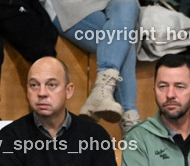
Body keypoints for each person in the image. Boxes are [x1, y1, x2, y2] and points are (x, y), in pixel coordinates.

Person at [43, 0, 141, 134]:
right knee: (122, 37)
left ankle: (103, 91)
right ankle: (131, 125)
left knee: (127, 6)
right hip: (69, 5)